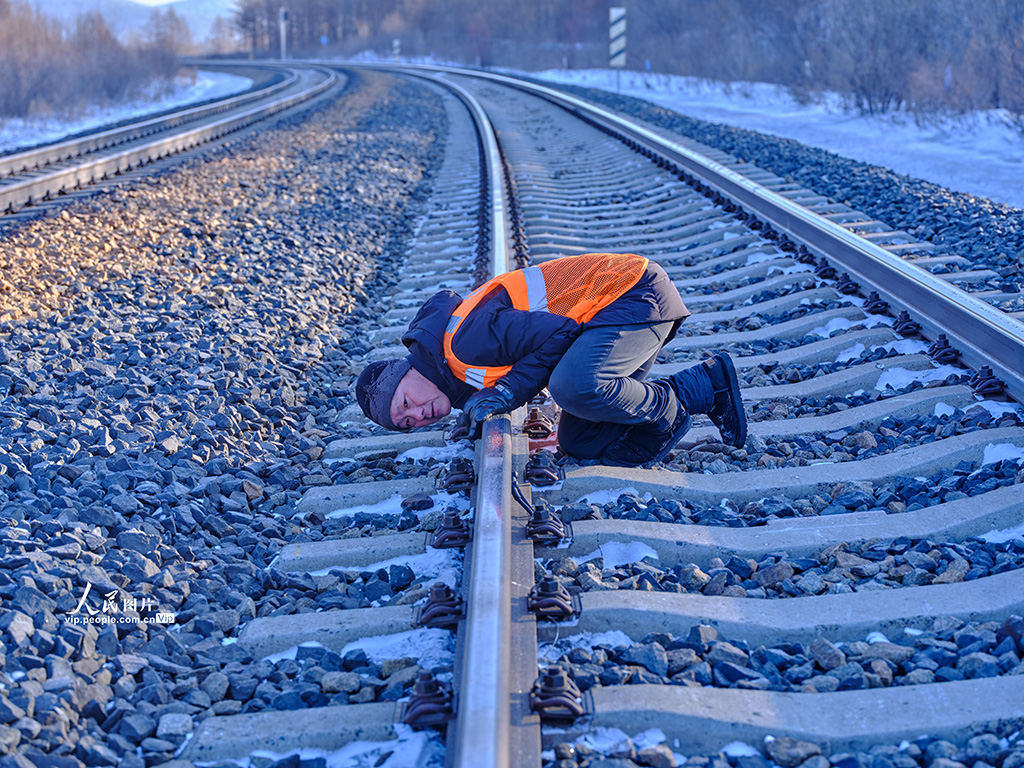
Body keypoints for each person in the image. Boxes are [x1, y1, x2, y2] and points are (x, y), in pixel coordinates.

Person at [355, 252, 745, 467]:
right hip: (609, 317)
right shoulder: (454, 371)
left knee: (573, 387)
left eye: (406, 402)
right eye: (408, 423)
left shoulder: (462, 342)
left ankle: (668, 411)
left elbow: (560, 333)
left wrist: (507, 391)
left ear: (409, 371)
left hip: (631, 294)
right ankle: (707, 385)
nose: (418, 415)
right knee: (581, 442)